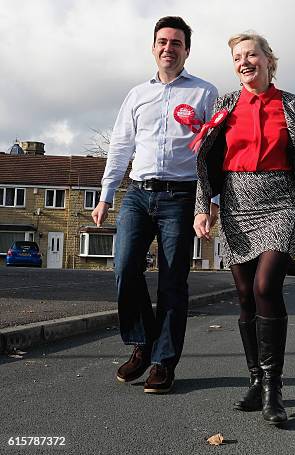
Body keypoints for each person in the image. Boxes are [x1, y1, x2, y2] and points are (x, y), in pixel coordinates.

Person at [193, 32, 295, 424]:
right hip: (237, 204)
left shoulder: (294, 105)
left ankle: (273, 389)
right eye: (237, 57)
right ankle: (255, 380)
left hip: (283, 200)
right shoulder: (223, 104)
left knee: (266, 286)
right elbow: (206, 162)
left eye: (252, 54)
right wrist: (204, 208)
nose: (244, 61)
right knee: (245, 296)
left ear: (270, 60)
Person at [92, 16, 219, 394]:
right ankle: (142, 345)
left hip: (181, 196)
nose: (168, 48)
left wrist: (210, 201)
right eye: (162, 41)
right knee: (125, 267)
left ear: (187, 50)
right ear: (153, 47)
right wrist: (106, 193)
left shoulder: (205, 93)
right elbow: (120, 145)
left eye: (176, 42)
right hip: (138, 193)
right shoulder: (136, 95)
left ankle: (163, 362)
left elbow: (214, 151)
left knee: (172, 282)